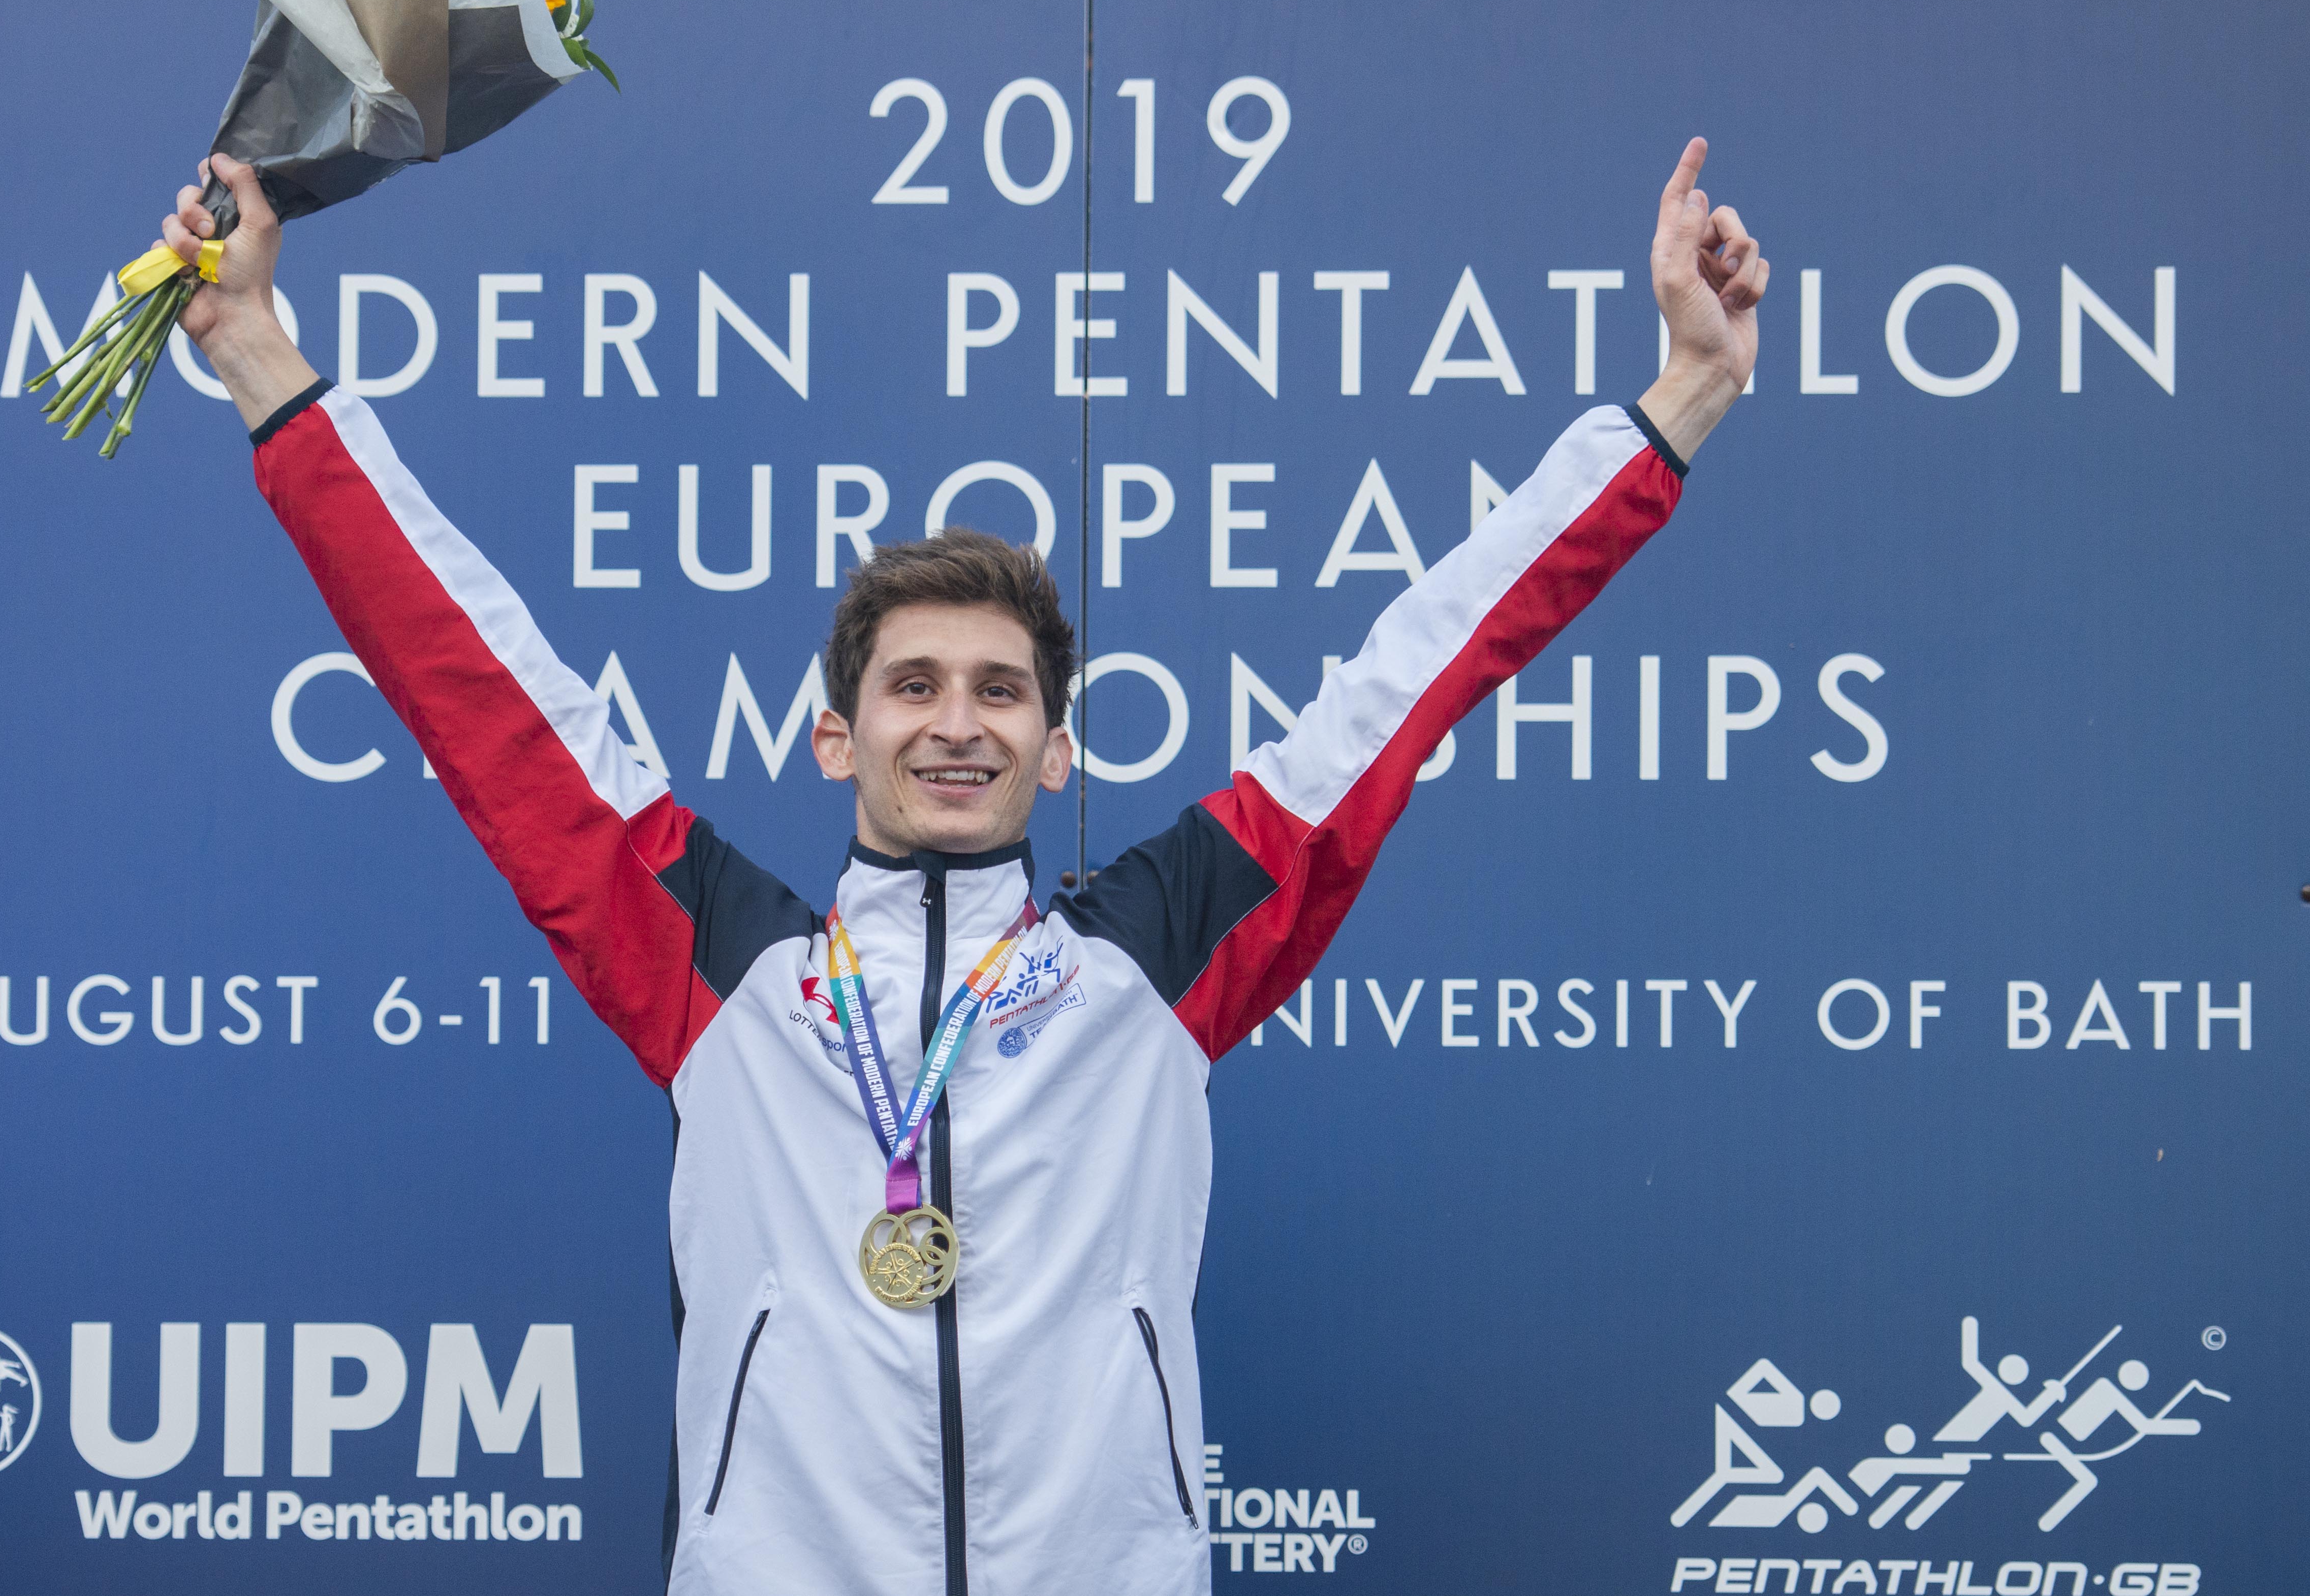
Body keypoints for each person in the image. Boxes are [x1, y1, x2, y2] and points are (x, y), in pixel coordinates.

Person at [158, 137, 1766, 1595]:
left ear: (1057, 749)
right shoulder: (717, 965)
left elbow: (1417, 670)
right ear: (831, 736)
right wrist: (251, 347)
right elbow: (476, 679)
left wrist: (1680, 396)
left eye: (1001, 692)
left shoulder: (1161, 951)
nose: (957, 725)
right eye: (911, 687)